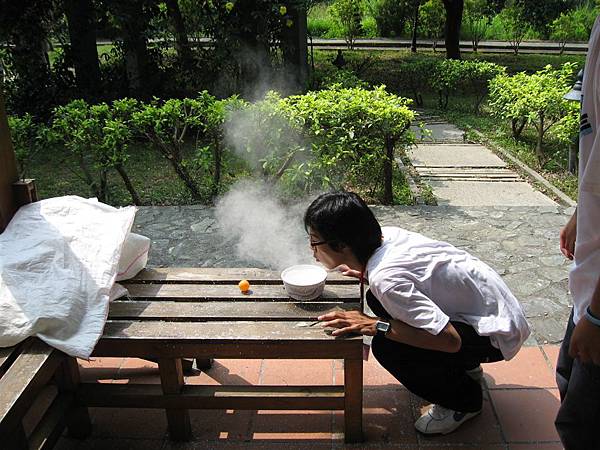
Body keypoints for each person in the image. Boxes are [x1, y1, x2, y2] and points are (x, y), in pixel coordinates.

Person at [305, 191, 530, 435]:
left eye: (315, 241)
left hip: (495, 335)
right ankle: (466, 368)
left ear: (342, 245)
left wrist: (374, 325)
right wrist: (365, 274)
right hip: (490, 312)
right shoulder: (386, 237)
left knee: (387, 347)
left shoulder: (386, 280)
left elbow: (450, 340)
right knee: (376, 299)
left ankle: (464, 402)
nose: (312, 249)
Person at [555, 15, 600, 450]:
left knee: (583, 425)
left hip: (599, 300)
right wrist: (579, 213)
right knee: (568, 379)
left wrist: (599, 316)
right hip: (589, 281)